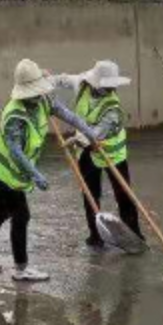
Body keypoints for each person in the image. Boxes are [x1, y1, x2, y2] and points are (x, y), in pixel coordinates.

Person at [0, 59, 99, 281]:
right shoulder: (14, 116)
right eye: (35, 93)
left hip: (13, 169)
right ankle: (21, 269)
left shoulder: (44, 100)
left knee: (2, 210)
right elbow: (16, 152)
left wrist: (89, 131)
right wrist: (35, 175)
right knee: (21, 215)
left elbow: (69, 115)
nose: (39, 96)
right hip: (5, 169)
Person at [51, 60, 144, 248]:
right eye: (106, 85)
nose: (110, 89)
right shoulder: (82, 83)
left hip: (112, 152)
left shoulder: (113, 108)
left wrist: (78, 140)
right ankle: (96, 235)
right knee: (90, 194)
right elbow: (63, 80)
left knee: (124, 194)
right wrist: (46, 81)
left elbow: (97, 133)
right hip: (86, 153)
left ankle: (134, 234)